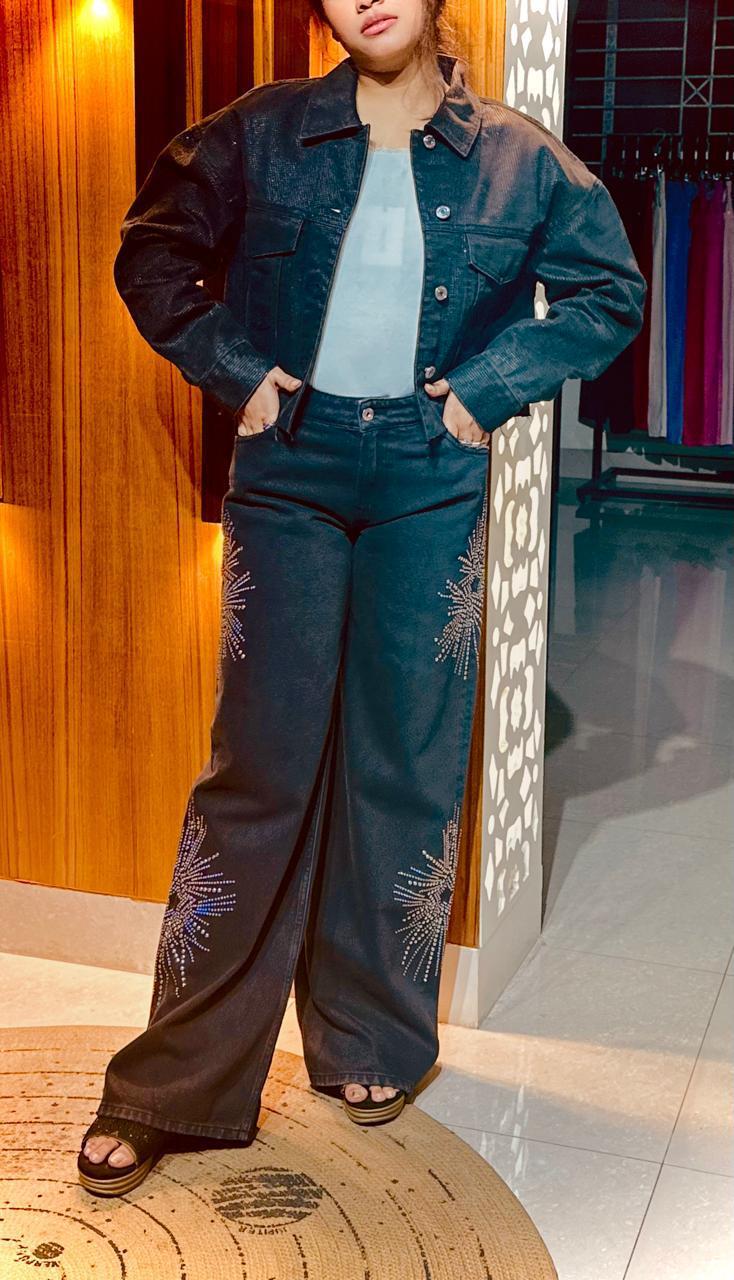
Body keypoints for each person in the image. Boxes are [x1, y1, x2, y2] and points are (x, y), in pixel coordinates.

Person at [77, 0, 646, 1196]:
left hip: (429, 477)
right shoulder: (262, 130)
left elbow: (607, 295)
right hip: (290, 468)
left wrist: (484, 388)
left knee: (405, 758)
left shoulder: (516, 157)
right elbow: (152, 249)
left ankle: (370, 1038)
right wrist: (236, 370)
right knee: (258, 767)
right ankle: (173, 1082)